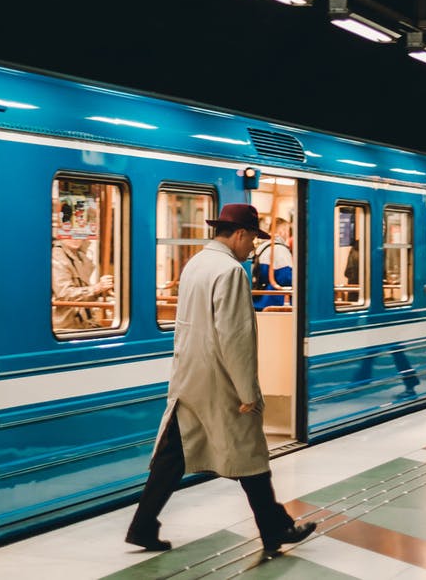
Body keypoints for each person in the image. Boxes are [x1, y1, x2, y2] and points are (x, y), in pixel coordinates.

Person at [126, 204, 316, 555]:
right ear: (240, 234)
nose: (253, 248)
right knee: (251, 456)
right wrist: (248, 391)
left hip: (190, 377)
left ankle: (142, 525)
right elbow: (235, 336)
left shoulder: (195, 263)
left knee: (173, 454)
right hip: (221, 382)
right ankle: (275, 529)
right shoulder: (230, 271)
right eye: (252, 240)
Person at [51, 238, 114, 329]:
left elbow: (84, 293)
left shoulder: (80, 256)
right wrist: (96, 288)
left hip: (84, 322)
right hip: (66, 326)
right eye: (70, 233)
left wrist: (100, 290)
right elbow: (64, 294)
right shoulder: (57, 256)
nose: (76, 238)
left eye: (80, 233)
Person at [253, 218, 293, 310]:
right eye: (287, 231)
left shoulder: (261, 248)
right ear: (282, 231)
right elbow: (286, 278)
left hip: (259, 300)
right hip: (275, 302)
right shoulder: (280, 249)